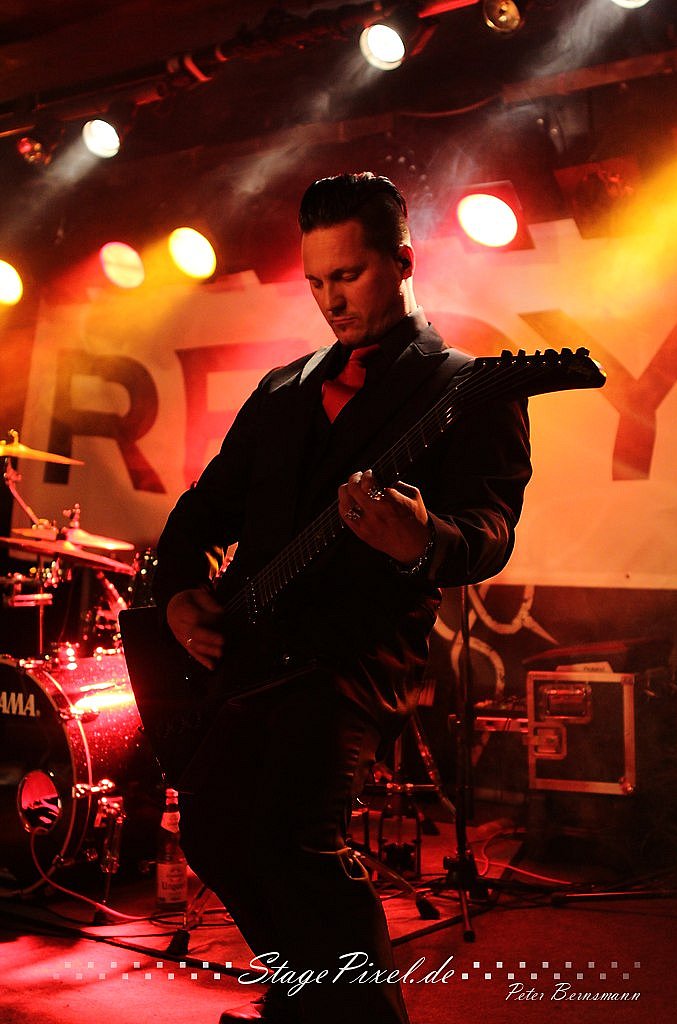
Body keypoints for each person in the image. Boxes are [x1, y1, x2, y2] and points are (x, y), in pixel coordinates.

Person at [151, 172, 532, 1023]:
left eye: (348, 276)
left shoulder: (468, 389)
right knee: (212, 830)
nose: (329, 300)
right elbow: (201, 514)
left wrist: (423, 540)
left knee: (294, 838)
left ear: (402, 262)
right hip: (252, 647)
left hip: (354, 657)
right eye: (316, 281)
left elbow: (490, 530)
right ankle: (305, 1001)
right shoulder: (282, 389)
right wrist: (177, 593)